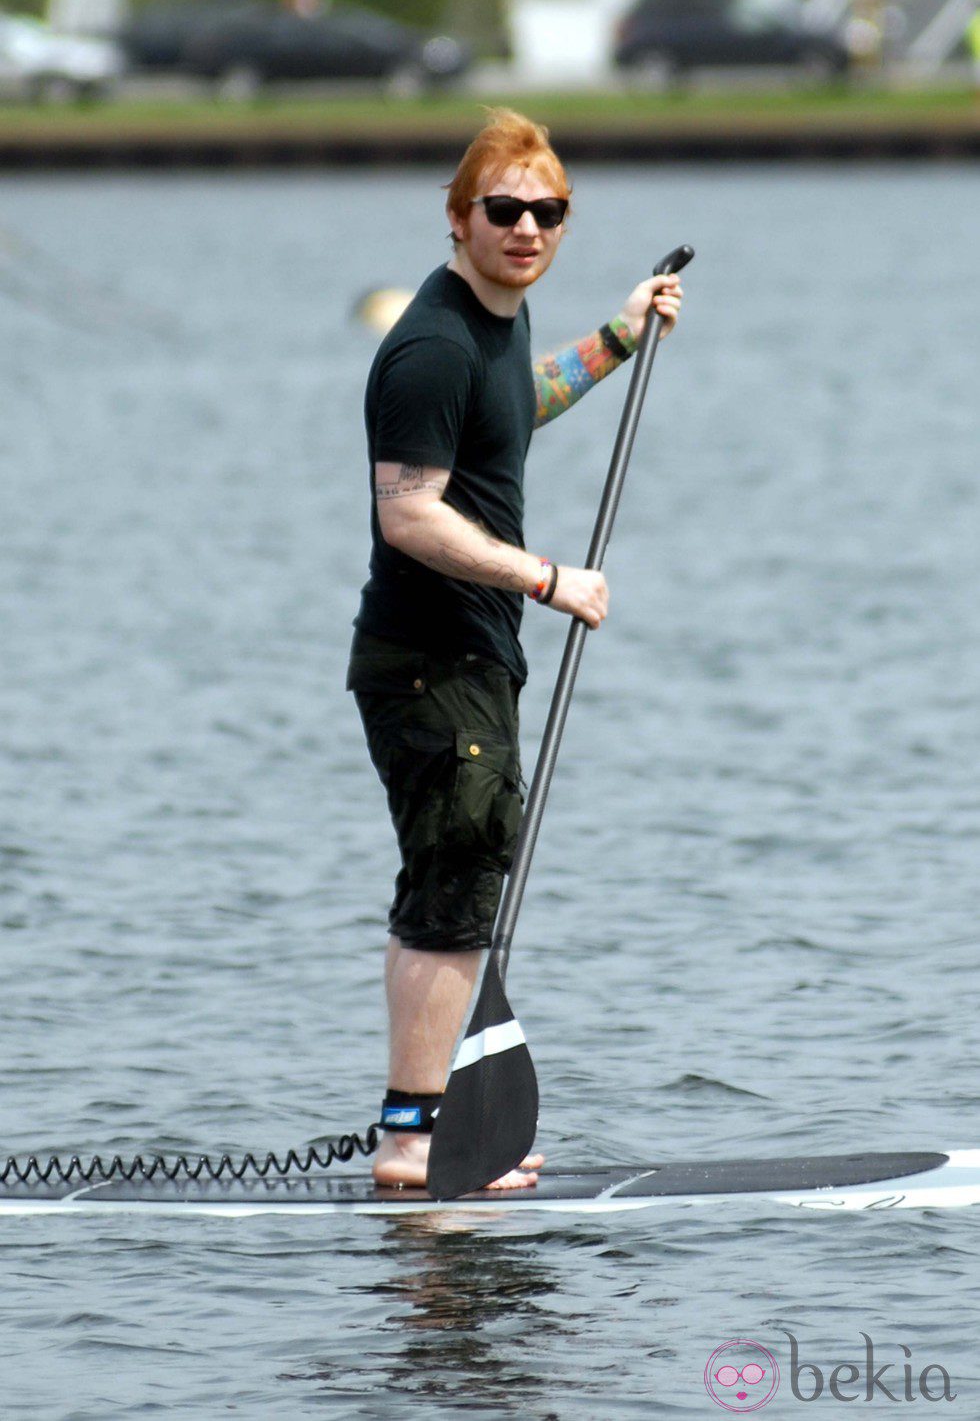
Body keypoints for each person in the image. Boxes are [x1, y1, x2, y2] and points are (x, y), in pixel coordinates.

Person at [348, 108, 683, 1190]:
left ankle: (419, 1129)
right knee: (451, 901)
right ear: (458, 219)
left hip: (464, 663)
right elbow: (409, 515)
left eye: (548, 211)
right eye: (504, 209)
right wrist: (547, 580)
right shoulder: (433, 346)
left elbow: (514, 407)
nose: (526, 226)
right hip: (428, 664)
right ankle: (411, 1143)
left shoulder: (491, 325)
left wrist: (615, 339)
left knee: (452, 889)